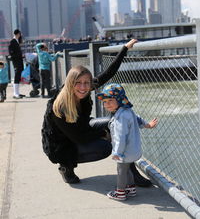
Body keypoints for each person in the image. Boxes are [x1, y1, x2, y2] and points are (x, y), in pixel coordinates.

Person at [42, 39, 153, 187]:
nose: (83, 87)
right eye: (78, 83)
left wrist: (125, 48)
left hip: (82, 128)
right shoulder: (60, 106)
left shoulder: (86, 88)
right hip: (62, 145)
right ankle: (66, 167)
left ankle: (132, 174)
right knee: (104, 147)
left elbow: (108, 73)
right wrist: (102, 134)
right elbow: (79, 137)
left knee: (114, 123)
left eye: (87, 83)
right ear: (70, 83)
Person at [97, 83, 158, 201]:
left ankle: (120, 192)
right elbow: (138, 118)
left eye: (110, 100)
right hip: (132, 150)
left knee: (121, 171)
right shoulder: (128, 111)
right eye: (104, 101)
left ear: (119, 100)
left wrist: (117, 153)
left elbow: (121, 137)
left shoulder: (121, 118)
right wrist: (147, 125)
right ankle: (131, 189)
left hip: (124, 151)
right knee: (128, 168)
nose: (106, 104)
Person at [8, 29, 25, 99]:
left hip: (19, 61)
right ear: (17, 34)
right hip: (16, 62)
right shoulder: (13, 41)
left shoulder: (17, 41)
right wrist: (19, 56)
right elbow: (11, 53)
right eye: (20, 34)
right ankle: (15, 93)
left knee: (18, 77)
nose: (20, 35)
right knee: (17, 76)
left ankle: (17, 93)